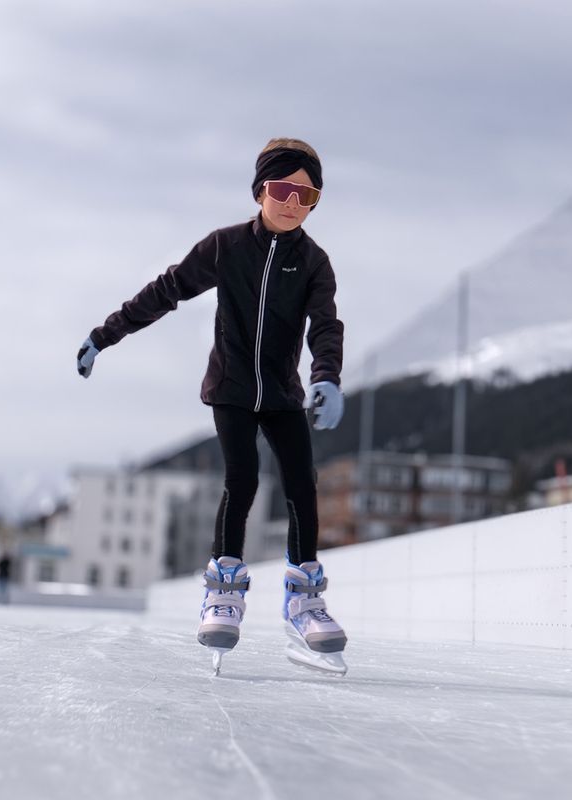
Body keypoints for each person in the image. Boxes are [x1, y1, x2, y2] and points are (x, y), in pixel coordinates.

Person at [77, 138, 348, 673]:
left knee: (301, 482)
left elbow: (326, 325)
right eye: (282, 189)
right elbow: (167, 290)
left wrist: (327, 377)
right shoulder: (226, 247)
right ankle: (223, 590)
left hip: (281, 394)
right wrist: (104, 336)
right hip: (229, 388)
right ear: (260, 191)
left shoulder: (314, 262)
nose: (293, 202)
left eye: (307, 194)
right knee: (242, 477)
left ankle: (303, 599)